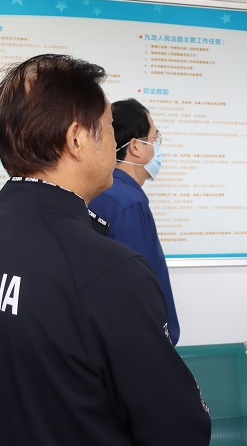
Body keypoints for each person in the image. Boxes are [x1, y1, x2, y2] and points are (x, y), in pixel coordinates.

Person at [0, 54, 210, 445]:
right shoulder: (112, 271)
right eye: (108, 127)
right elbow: (179, 428)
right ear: (77, 139)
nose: (114, 142)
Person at [89, 98, 180, 345]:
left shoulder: (100, 193)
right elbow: (139, 288)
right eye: (154, 139)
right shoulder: (129, 204)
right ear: (136, 147)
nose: (157, 148)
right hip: (137, 344)